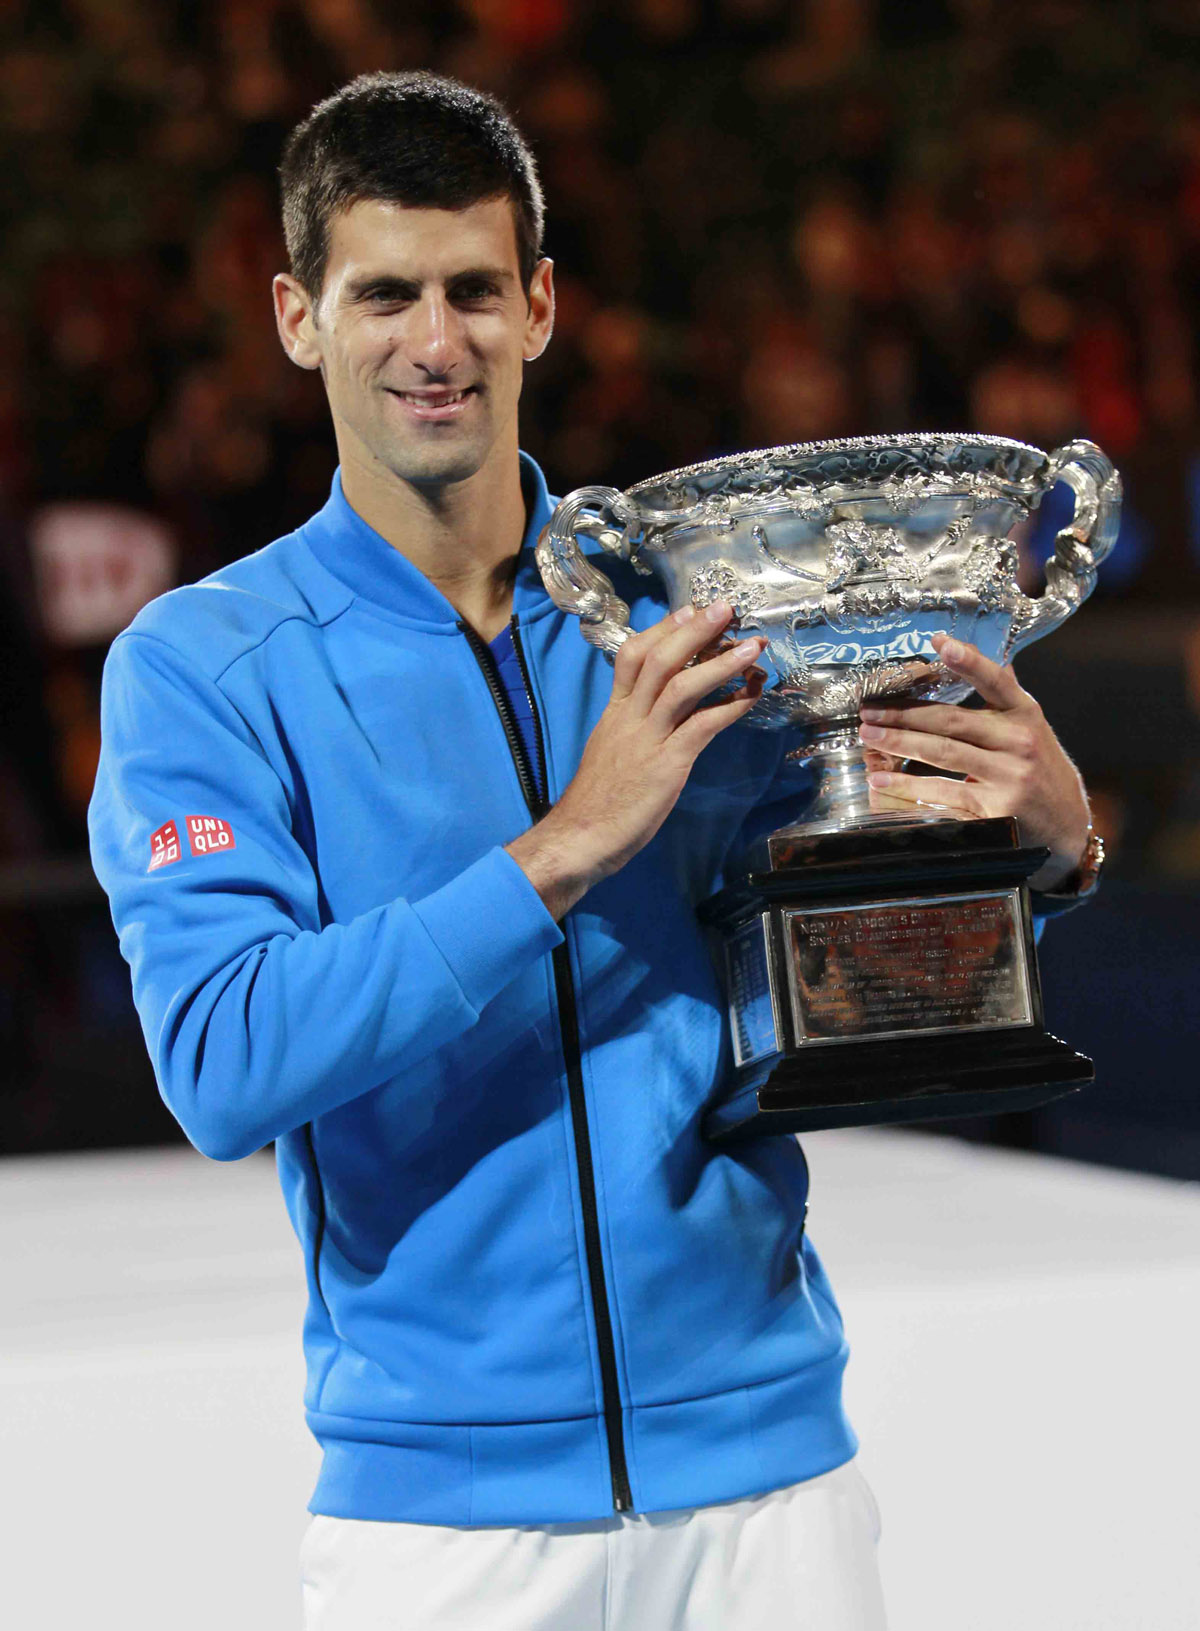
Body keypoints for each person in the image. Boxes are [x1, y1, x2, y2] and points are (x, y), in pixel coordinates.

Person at [88, 71, 1101, 1630]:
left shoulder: (701, 619)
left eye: (475, 290)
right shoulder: (206, 665)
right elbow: (225, 1063)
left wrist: (1041, 848)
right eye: (386, 296)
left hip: (769, 1482)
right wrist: (563, 849)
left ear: (541, 307)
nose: (437, 342)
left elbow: (848, 963)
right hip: (445, 1518)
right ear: (299, 319)